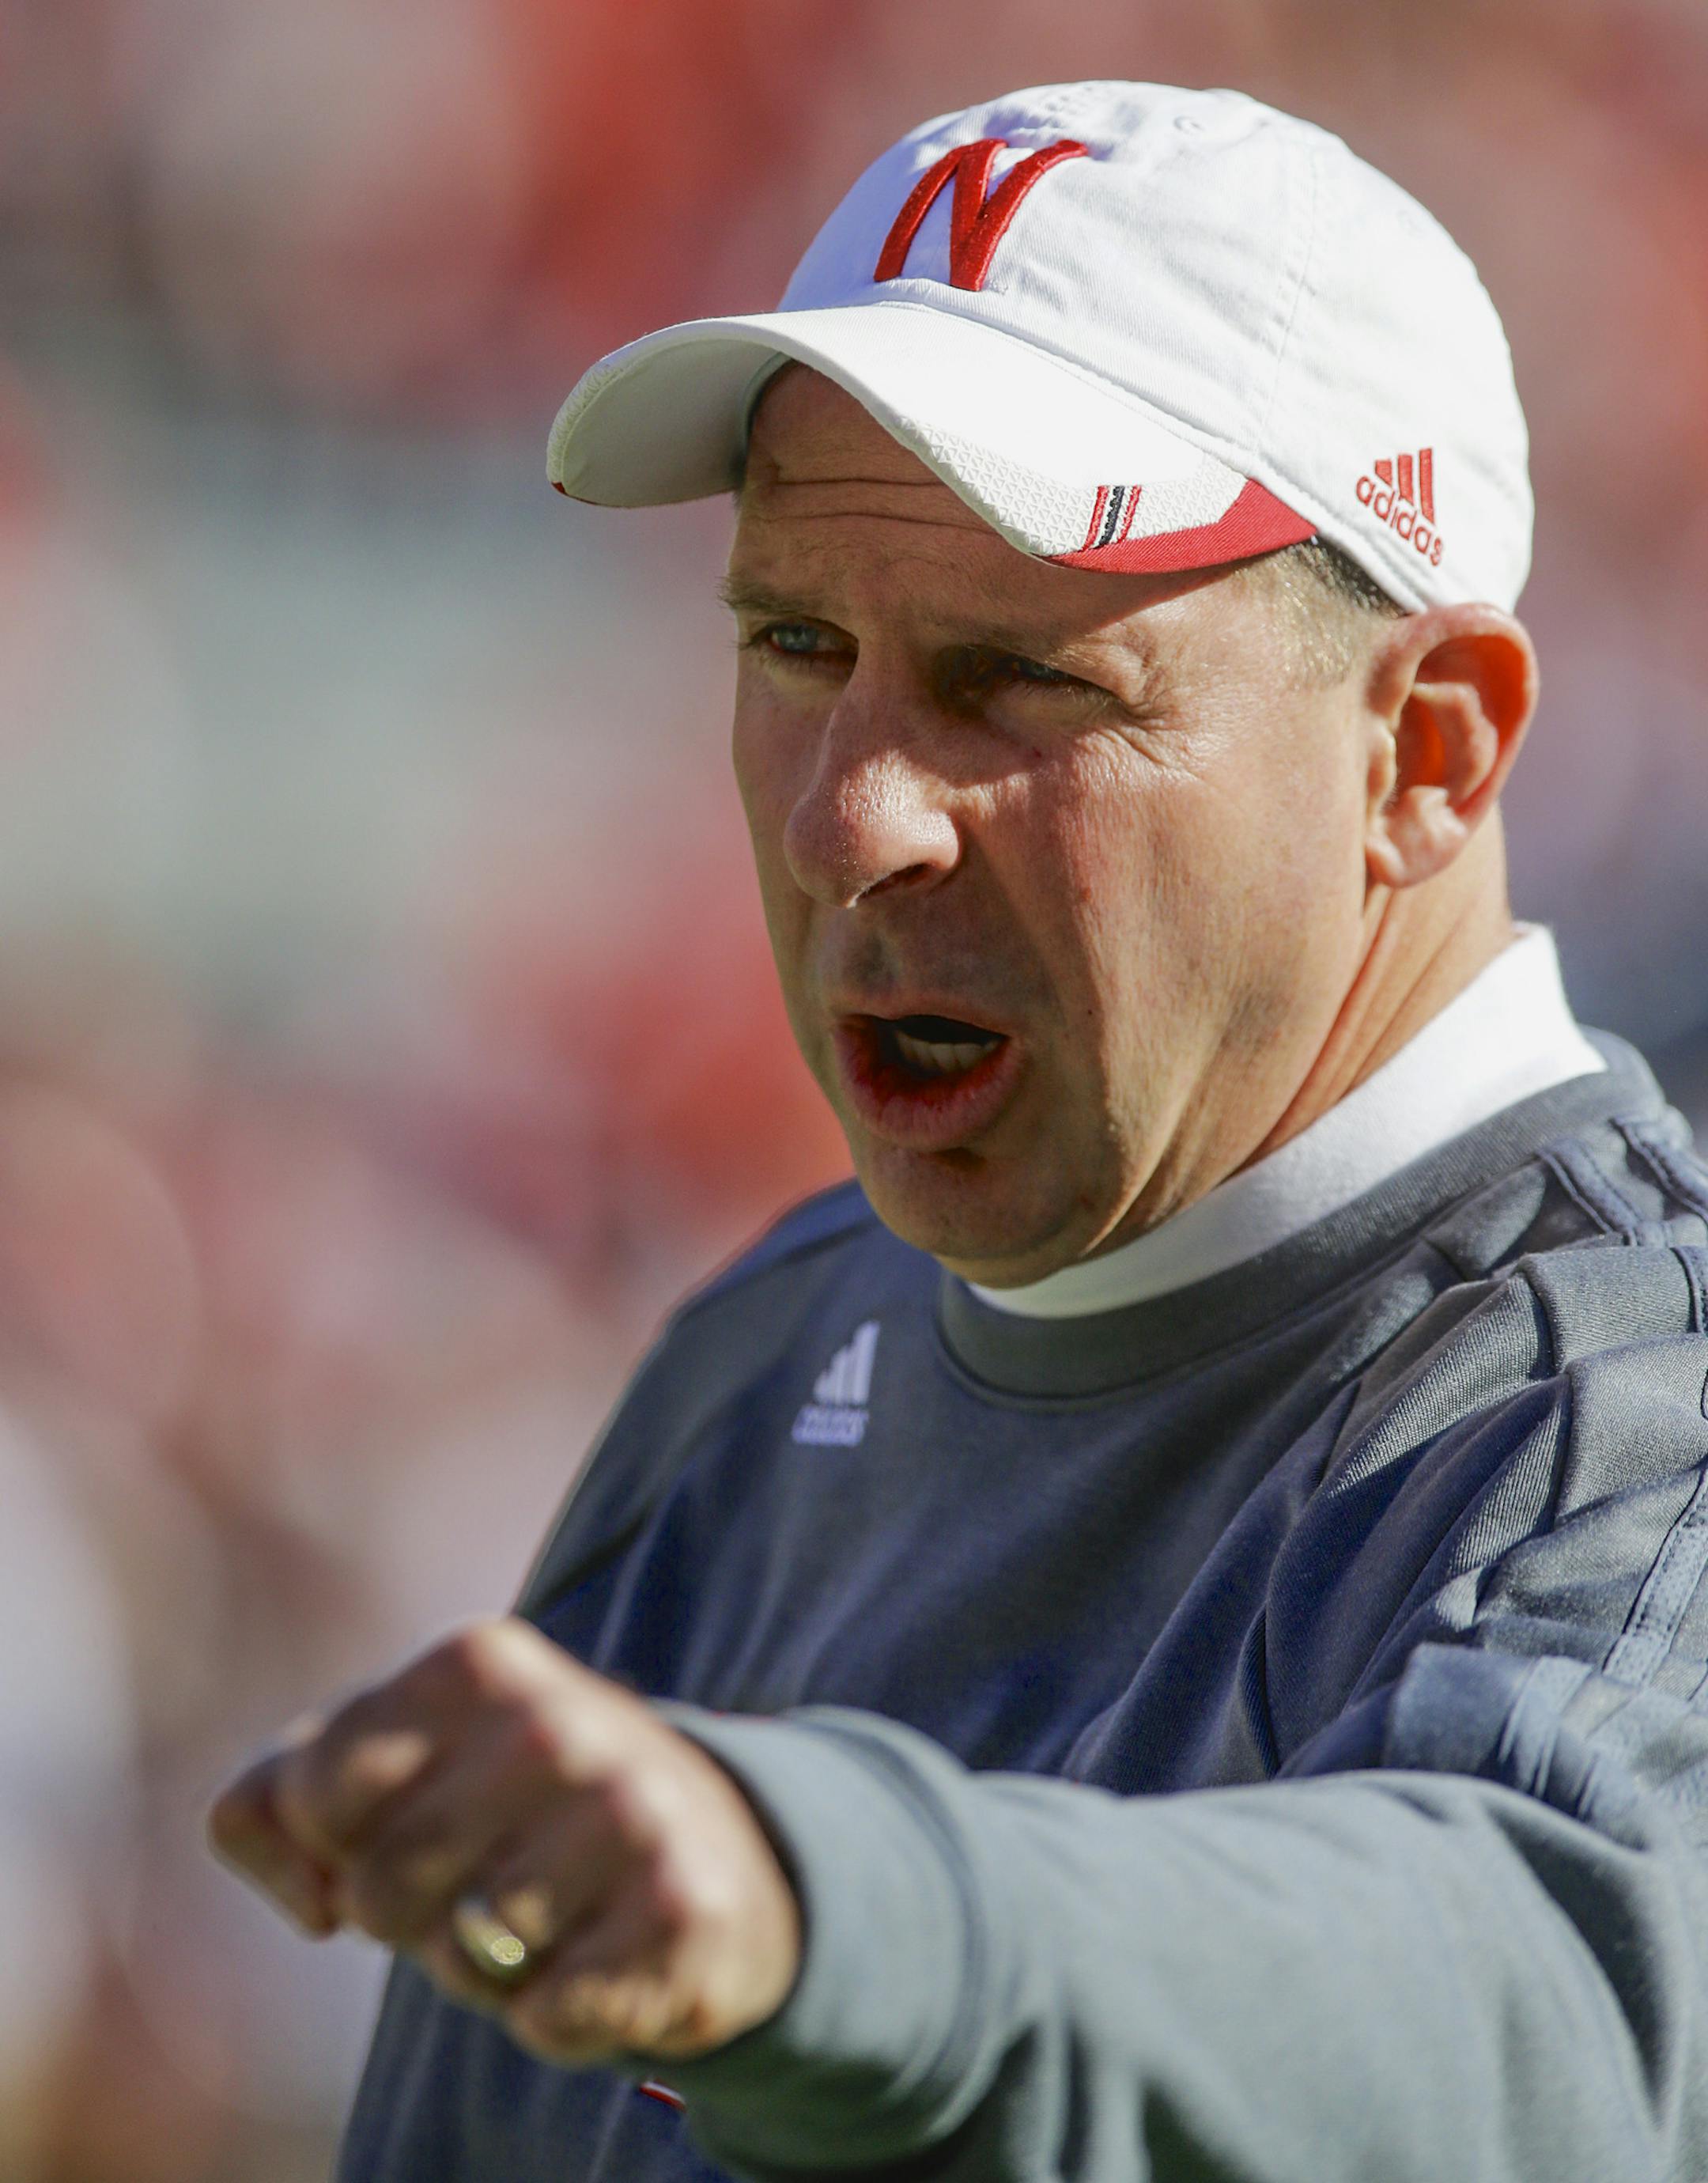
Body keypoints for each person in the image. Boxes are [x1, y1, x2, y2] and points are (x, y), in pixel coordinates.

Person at [210, 81, 1708, 2183]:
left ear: (1427, 755)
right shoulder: (756, 1367)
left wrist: (836, 1914)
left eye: (1022, 685)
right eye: (795, 643)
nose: (848, 816)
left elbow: (1546, 2018)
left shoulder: (1632, 1422)